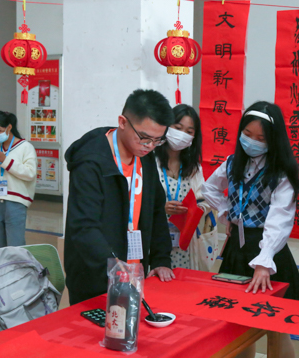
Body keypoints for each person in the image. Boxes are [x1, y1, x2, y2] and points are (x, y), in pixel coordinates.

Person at [202, 101, 299, 358]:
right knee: (237, 323)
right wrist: (228, 212)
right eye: (247, 134)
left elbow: (279, 219)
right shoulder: (232, 163)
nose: (252, 142)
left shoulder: (281, 172)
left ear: (273, 140)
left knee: (276, 326)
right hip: (237, 247)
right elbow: (209, 188)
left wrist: (264, 260)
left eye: (261, 138)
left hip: (268, 249)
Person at [65, 89, 174, 305]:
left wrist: (161, 259)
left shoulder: (144, 157)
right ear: (122, 122)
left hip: (134, 271)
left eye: (157, 140)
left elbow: (156, 208)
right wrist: (114, 268)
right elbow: (84, 226)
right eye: (144, 137)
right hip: (95, 275)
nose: (150, 146)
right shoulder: (91, 162)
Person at [154, 104, 211, 269]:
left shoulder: (194, 168)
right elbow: (138, 200)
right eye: (178, 128)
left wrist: (191, 210)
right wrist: (161, 208)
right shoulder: (150, 161)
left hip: (185, 243)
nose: (182, 135)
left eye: (189, 132)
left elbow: (205, 201)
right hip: (155, 240)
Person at [0, 111, 37, 250]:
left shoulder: (26, 147)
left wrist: (5, 160)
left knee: (15, 246)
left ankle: (17, 266)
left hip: (15, 201)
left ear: (9, 127)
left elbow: (30, 173)